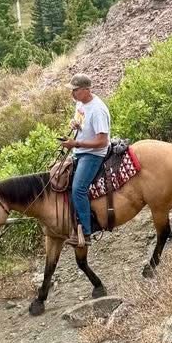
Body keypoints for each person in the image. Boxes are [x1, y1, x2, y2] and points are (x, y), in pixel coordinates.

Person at [63, 72, 111, 248]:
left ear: (85, 90)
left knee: (78, 189)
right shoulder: (80, 103)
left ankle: (86, 232)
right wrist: (75, 124)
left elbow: (102, 141)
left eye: (75, 90)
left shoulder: (98, 110)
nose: (72, 93)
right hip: (80, 150)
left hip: (93, 154)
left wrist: (75, 143)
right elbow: (80, 121)